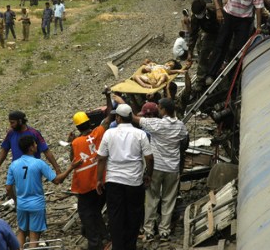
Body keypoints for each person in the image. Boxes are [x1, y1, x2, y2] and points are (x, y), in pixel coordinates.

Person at [6, 135, 82, 249]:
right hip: (36, 204)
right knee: (34, 236)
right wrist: (71, 167)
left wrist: (16, 200)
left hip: (21, 204)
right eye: (35, 144)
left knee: (21, 231)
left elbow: (8, 188)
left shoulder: (14, 165)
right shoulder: (39, 163)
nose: (37, 145)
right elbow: (57, 180)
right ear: (31, 148)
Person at [96, 104, 154, 250]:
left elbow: (101, 158)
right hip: (134, 182)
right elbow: (149, 158)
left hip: (114, 181)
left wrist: (98, 179)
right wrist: (148, 174)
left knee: (115, 216)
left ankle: (118, 246)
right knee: (133, 215)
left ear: (118, 118)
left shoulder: (109, 133)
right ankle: (130, 246)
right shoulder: (140, 134)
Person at [132, 98, 188, 243]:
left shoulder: (157, 124)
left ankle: (149, 231)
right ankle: (164, 231)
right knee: (169, 199)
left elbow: (135, 119)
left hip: (156, 167)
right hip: (172, 168)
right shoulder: (180, 126)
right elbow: (184, 140)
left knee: (152, 199)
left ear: (162, 109)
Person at [205, 0, 264, 85]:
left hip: (244, 20)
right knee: (221, 44)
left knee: (238, 49)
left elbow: (259, 7)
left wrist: (258, 27)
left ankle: (233, 78)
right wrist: (218, 10)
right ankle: (211, 73)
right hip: (229, 15)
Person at [68, 89, 113, 250]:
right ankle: (106, 237)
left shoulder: (75, 143)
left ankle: (95, 244)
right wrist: (108, 96)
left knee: (86, 214)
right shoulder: (99, 132)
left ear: (77, 127)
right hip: (101, 181)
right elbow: (109, 115)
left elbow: (73, 161)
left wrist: (70, 142)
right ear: (89, 123)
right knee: (95, 211)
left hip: (85, 186)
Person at [0, 111, 62, 180]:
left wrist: (57, 168)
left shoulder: (34, 133)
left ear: (20, 121)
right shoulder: (11, 133)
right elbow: (4, 149)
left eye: (13, 123)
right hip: (17, 168)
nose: (11, 125)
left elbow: (46, 151)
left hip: (33, 169)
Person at [188, 0, 221, 91]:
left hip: (221, 32)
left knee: (220, 53)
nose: (198, 16)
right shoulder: (195, 17)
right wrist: (190, 51)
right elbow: (193, 35)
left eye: (200, 14)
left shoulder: (214, 11)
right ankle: (200, 80)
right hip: (209, 33)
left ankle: (218, 75)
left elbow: (224, 27)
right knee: (203, 54)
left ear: (204, 10)